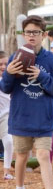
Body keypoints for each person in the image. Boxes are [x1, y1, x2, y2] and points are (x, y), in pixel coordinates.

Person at [0, 15, 53, 189]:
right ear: (23, 34)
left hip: (43, 118)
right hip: (21, 116)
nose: (31, 36)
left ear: (44, 35)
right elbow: (5, 87)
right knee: (20, 156)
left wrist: (42, 75)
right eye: (28, 32)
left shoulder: (51, 60)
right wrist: (8, 73)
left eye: (35, 32)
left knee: (44, 155)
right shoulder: (15, 57)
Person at [0, 51, 14, 180]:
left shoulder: (10, 80)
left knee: (9, 142)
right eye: (0, 64)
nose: (3, 67)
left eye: (6, 64)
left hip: (6, 117)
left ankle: (6, 171)